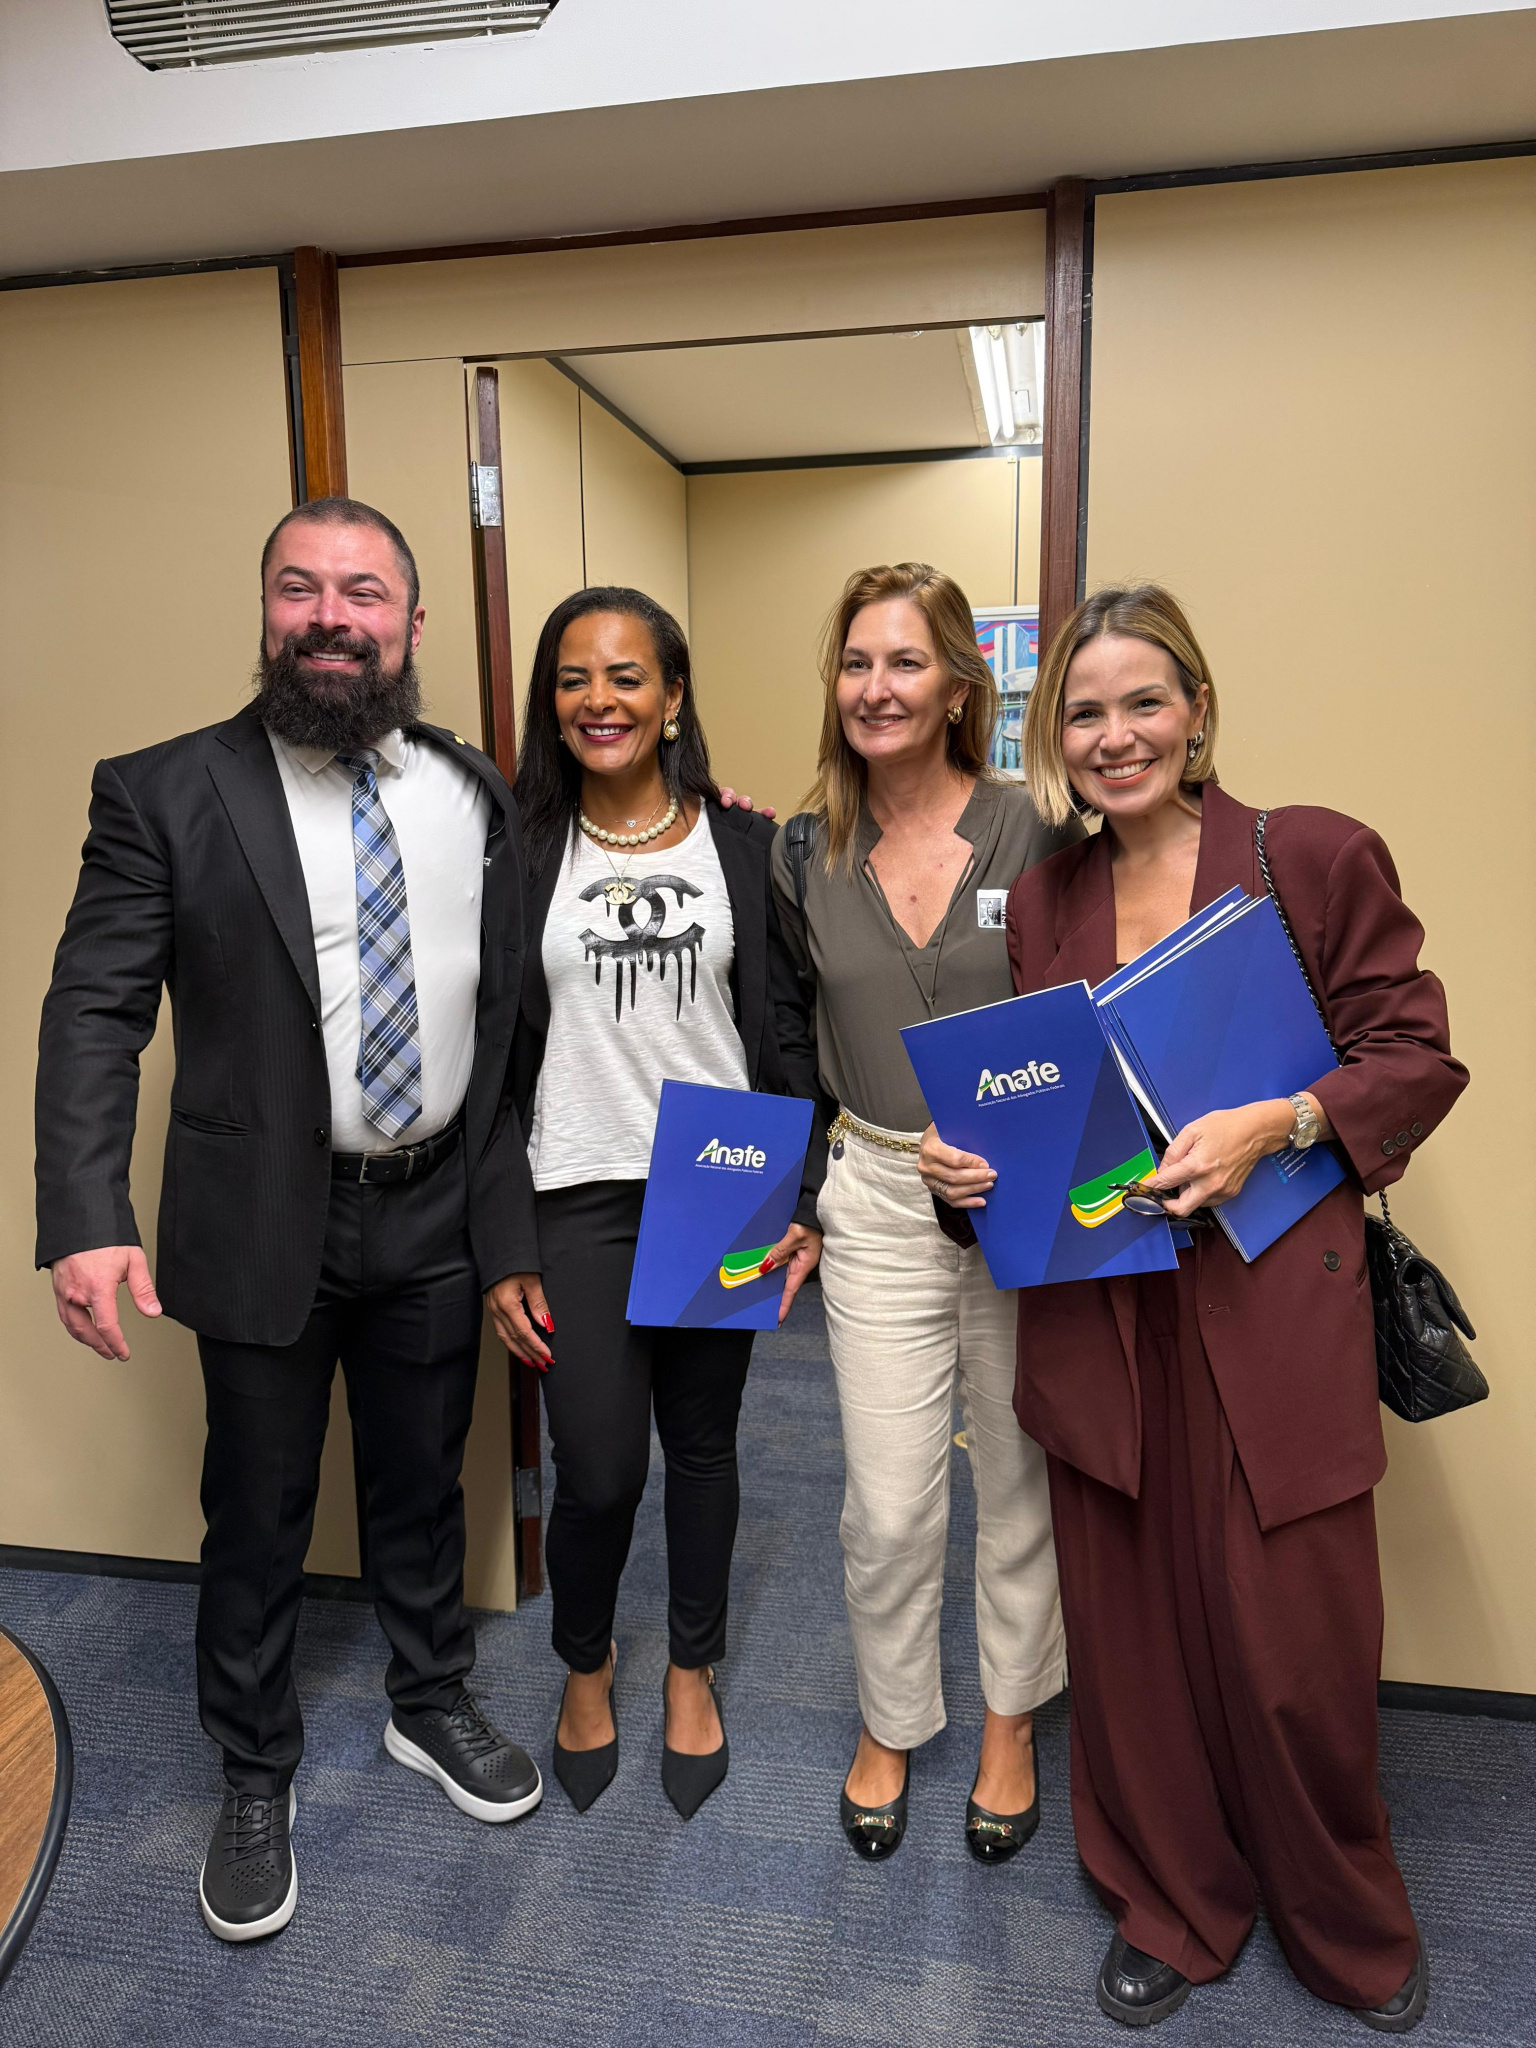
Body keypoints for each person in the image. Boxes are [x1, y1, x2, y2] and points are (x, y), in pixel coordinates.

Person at [920, 583, 1466, 2032]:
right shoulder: (1047, 901)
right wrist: (964, 1173)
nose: (1115, 736)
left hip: (1272, 1300)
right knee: (1136, 1640)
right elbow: (1045, 1115)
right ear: (1055, 738)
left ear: (1199, 709)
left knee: (1295, 1644)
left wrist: (1282, 1121)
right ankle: (1173, 1898)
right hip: (1104, 1313)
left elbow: (1415, 1055)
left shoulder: (1310, 856)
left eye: (1143, 702)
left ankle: (1344, 1915)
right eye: (1083, 713)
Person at [35, 498, 545, 1945]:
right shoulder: (164, 790)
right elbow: (93, 1010)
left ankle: (427, 1697)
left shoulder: (475, 790)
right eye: (300, 588)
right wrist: (84, 1211)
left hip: (433, 1207)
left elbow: (511, 1005)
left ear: (411, 623)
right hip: (263, 1217)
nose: (331, 617)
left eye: (363, 592)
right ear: (265, 611)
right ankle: (254, 1767)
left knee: (422, 1480)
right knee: (255, 1510)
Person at [487, 587, 822, 1822]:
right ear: (551, 701)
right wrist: (501, 1243)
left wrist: (801, 1190)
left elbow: (781, 1028)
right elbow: (490, 1065)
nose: (600, 700)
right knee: (598, 1466)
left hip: (718, 1175)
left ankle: (691, 1665)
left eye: (627, 676)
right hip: (575, 1187)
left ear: (673, 697)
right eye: (574, 678)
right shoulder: (521, 850)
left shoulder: (744, 843)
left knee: (704, 1444)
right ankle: (587, 1661)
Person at [771, 562, 1081, 1863]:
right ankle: (892, 1716)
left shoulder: (1040, 828)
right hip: (878, 1193)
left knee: (1019, 1476)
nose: (877, 687)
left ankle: (1012, 1720)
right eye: (856, 663)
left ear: (960, 683)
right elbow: (785, 1033)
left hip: (1022, 1194)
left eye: (905, 661)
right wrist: (795, 1197)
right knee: (890, 1503)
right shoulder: (803, 850)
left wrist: (1032, 1142)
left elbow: (1086, 1004)